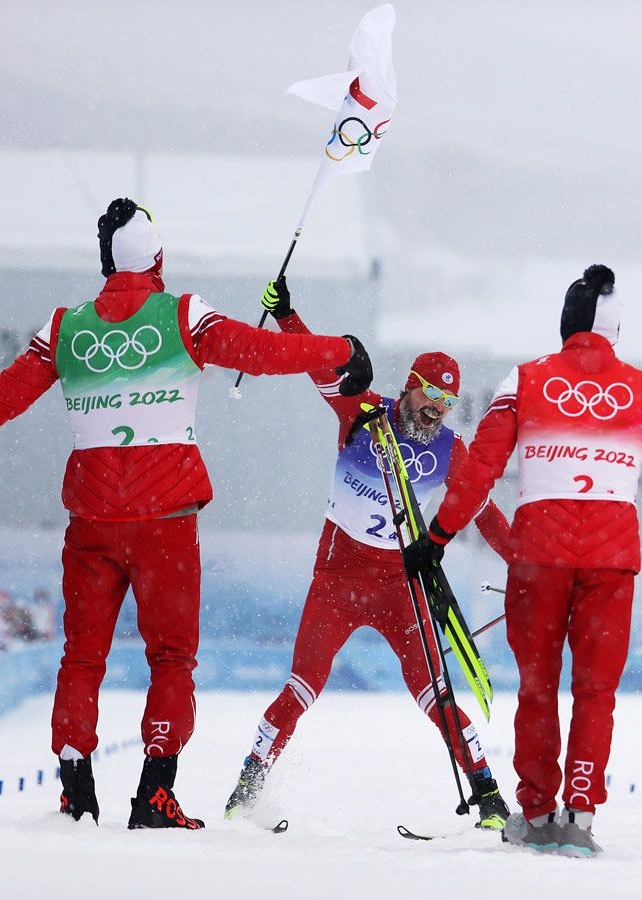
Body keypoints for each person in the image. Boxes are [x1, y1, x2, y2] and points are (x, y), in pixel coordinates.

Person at [0, 199, 371, 830]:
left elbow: (5, 396)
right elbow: (258, 352)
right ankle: (155, 794)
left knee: (81, 657)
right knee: (171, 659)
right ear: (158, 258)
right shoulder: (181, 315)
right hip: (166, 524)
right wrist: (337, 349)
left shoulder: (65, 326)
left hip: (91, 522)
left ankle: (74, 789)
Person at [402, 264, 642, 857]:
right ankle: (578, 814)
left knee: (537, 687)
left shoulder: (524, 380)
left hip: (538, 558)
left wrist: (438, 536)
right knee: (595, 691)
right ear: (614, 331)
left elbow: (481, 470)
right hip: (610, 560)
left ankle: (534, 812)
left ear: (567, 323)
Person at [223, 277, 514, 829]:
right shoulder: (364, 411)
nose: (439, 411)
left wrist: (526, 566)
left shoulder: (452, 452)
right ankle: (248, 785)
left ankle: (489, 797)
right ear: (412, 386)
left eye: (450, 403)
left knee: (435, 693)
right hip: (336, 575)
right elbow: (314, 366)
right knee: (303, 684)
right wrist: (286, 314)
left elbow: (486, 515)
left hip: (398, 583)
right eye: (433, 396)